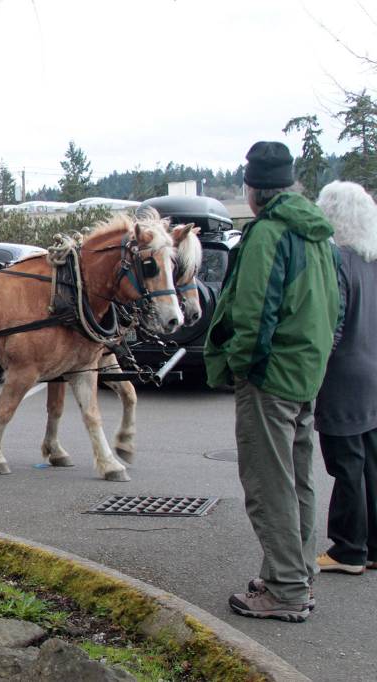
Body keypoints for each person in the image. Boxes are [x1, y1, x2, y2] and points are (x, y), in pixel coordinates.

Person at [205, 141, 341, 622]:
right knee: (298, 477)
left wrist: (240, 365)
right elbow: (336, 304)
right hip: (305, 371)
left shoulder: (268, 233)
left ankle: (286, 590)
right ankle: (297, 572)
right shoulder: (317, 232)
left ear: (253, 189)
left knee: (268, 484)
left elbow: (253, 310)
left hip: (271, 376)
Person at [314, 181, 377, 575]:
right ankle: (372, 546)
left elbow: (332, 326)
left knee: (346, 463)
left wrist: (313, 366)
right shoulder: (372, 260)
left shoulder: (338, 261)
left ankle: (348, 549)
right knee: (371, 461)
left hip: (343, 379)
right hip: (372, 372)